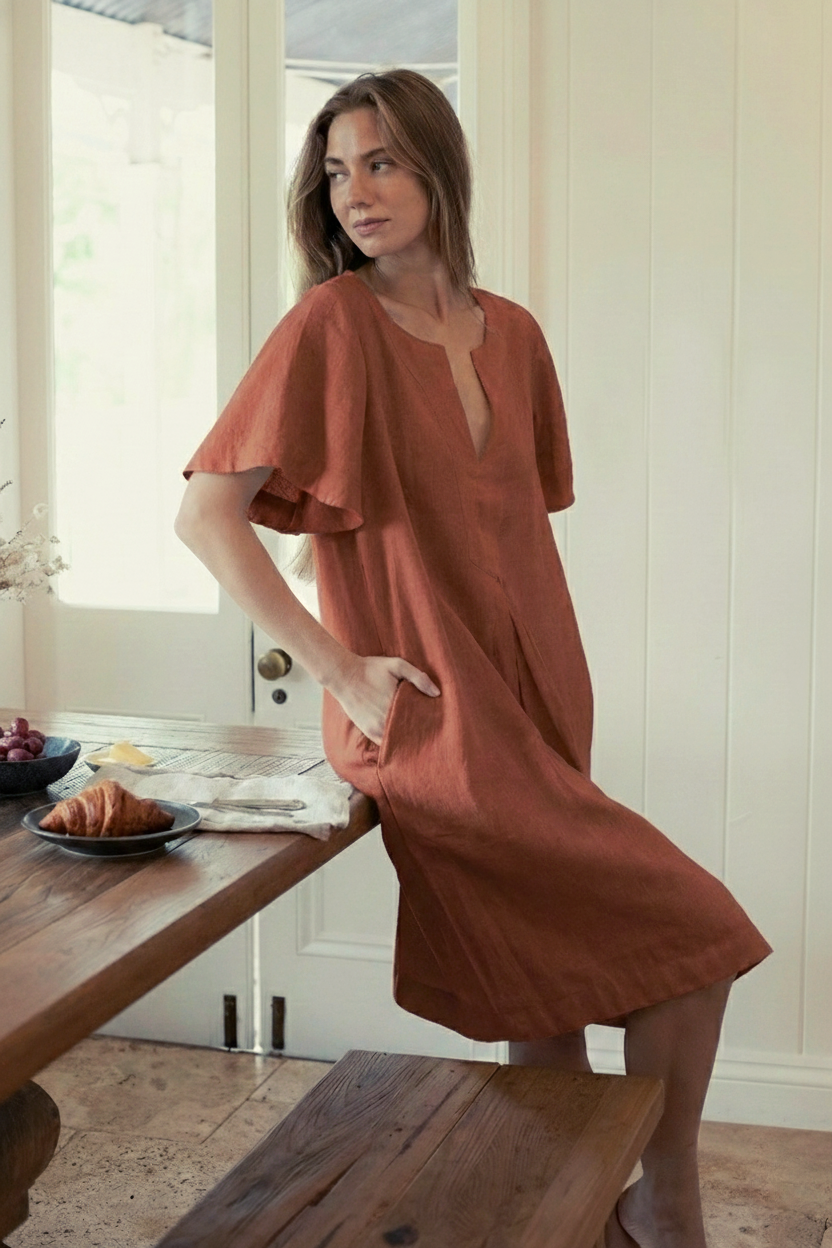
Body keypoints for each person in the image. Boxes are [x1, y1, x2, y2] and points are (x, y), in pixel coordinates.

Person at [175, 69, 771, 1248]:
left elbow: (513, 534)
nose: (356, 193)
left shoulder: (518, 335)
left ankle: (564, 1216)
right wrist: (339, 664)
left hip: (540, 692)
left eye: (382, 162)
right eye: (338, 171)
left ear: (440, 170)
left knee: (534, 982)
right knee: (697, 930)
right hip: (431, 714)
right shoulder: (331, 328)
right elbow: (206, 513)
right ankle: (665, 1194)